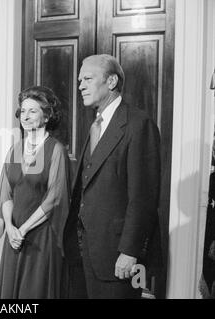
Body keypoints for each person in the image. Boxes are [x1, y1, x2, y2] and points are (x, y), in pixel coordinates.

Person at [63, 54, 161, 299]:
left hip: (117, 256)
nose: (80, 86)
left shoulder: (138, 124)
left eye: (87, 78)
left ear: (112, 81)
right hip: (82, 253)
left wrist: (130, 251)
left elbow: (143, 197)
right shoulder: (96, 124)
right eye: (79, 80)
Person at [0, 86, 69, 299]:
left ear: (46, 116)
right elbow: (6, 193)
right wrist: (10, 228)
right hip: (14, 236)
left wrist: (24, 230)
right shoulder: (15, 149)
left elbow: (54, 198)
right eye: (22, 111)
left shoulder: (56, 150)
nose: (25, 117)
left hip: (40, 236)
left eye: (32, 111)